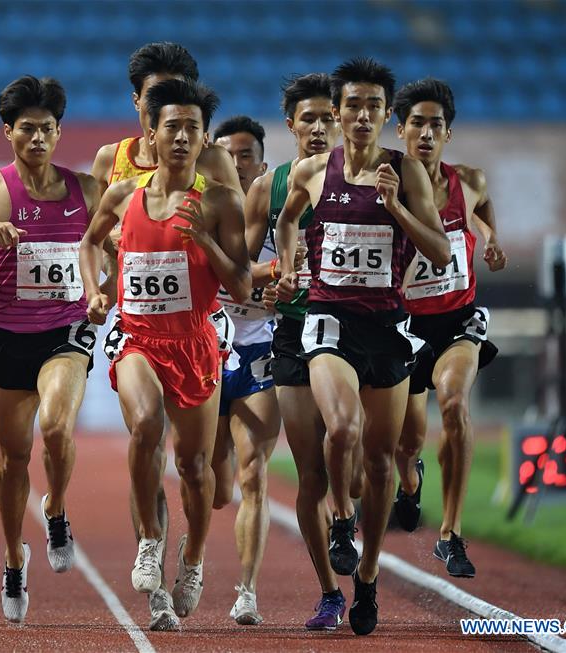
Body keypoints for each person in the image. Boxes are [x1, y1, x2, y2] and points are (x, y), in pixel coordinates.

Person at [275, 57, 450, 635]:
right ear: (339, 111)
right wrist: (287, 257)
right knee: (343, 429)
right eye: (353, 105)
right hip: (329, 319)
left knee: (379, 463)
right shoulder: (312, 171)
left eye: (375, 106)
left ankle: (368, 576)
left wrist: (397, 205)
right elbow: (287, 220)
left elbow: (442, 252)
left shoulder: (408, 172)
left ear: (385, 115)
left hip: (387, 330)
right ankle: (341, 523)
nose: (362, 115)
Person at [80, 78, 251, 629]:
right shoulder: (123, 195)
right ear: (150, 134)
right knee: (146, 422)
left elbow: (244, 286)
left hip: (196, 343)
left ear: (204, 139)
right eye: (171, 126)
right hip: (138, 338)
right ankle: (151, 540)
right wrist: (96, 289)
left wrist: (204, 241)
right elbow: (89, 242)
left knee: (195, 469)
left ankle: (194, 559)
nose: (181, 137)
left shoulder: (222, 201)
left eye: (192, 128)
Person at [0, 76, 101, 624]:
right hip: (9, 337)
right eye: (27, 128)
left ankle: (55, 507)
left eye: (47, 128)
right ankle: (14, 557)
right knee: (14, 458)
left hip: (66, 330)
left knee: (56, 428)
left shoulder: (88, 190)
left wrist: (104, 290)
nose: (38, 137)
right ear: (8, 131)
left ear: (60, 132)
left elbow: (120, 250)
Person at [390, 78, 506, 578]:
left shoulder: (471, 180)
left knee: (455, 403)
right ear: (400, 130)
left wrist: (490, 236)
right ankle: (410, 482)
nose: (426, 132)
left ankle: (451, 534)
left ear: (448, 134)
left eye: (436, 124)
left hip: (458, 320)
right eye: (416, 122)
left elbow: (480, 208)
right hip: (405, 325)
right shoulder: (386, 186)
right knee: (407, 440)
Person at [254, 73, 357, 630]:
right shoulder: (268, 188)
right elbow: (242, 268)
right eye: (308, 119)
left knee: (361, 462)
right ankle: (329, 591)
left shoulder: (367, 181)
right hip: (294, 333)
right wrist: (274, 276)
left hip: (357, 328)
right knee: (311, 472)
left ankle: (367, 500)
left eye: (328, 119)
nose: (319, 129)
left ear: (341, 122)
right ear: (290, 123)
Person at [210, 115, 278, 625]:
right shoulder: (198, 212)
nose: (236, 165)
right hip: (206, 353)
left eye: (246, 157)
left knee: (254, 474)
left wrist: (287, 287)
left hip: (261, 353)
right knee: (214, 486)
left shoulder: (286, 218)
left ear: (263, 165)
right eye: (227, 156)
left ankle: (247, 589)